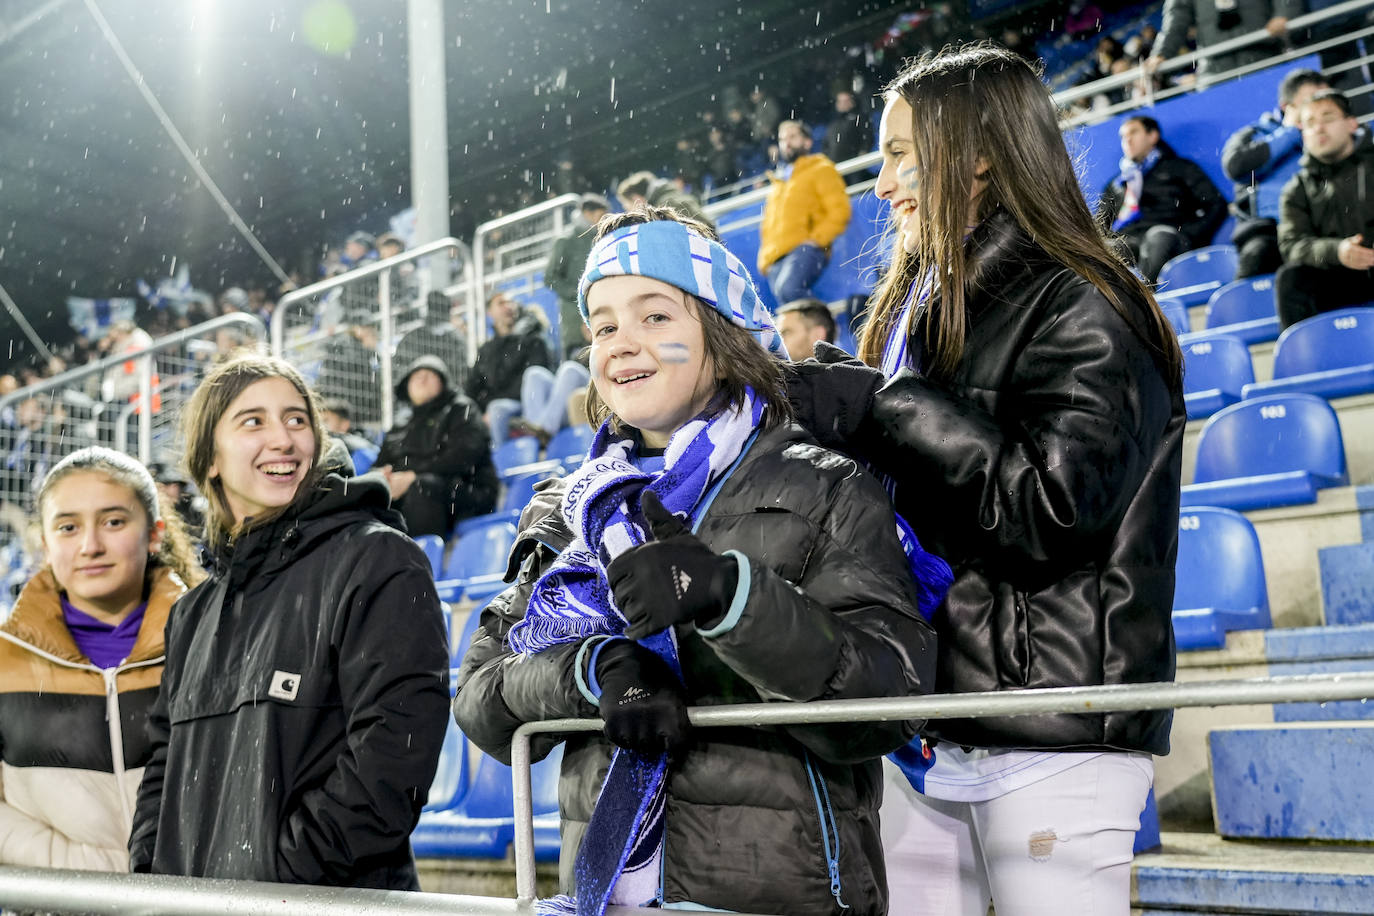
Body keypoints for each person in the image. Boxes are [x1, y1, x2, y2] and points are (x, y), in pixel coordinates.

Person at [453, 207, 944, 915]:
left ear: (721, 330)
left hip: (776, 898)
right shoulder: (568, 508)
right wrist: (595, 670)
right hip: (607, 901)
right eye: (603, 324)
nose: (622, 344)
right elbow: (480, 698)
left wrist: (729, 600)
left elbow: (889, 703)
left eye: (655, 317)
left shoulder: (823, 482)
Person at [787, 45, 1184, 916]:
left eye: (899, 154)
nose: (880, 184)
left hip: (1053, 729)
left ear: (978, 154)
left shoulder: (1087, 300)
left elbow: (1052, 512)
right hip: (930, 725)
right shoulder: (922, 308)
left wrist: (889, 408)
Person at [128, 354, 449, 888]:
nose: (283, 439)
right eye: (253, 421)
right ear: (210, 457)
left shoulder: (379, 560)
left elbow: (395, 755)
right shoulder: (192, 612)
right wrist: (150, 870)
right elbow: (165, 762)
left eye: (297, 420)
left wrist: (282, 874)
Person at [0, 447, 203, 869]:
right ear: (45, 542)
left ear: (154, 533)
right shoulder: (6, 660)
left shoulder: (214, 643)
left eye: (113, 522)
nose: (90, 546)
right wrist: (96, 876)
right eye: (68, 527)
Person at [1275, 89, 1374, 328]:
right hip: (1336, 275)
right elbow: (1292, 245)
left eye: (1328, 118)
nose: (1319, 128)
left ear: (1351, 123)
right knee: (1291, 279)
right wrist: (1337, 251)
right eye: (1310, 123)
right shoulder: (1296, 188)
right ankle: (1305, 361)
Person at [1222, 68, 1330, 278]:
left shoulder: (1329, 136)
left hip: (1321, 230)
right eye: (1311, 101)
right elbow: (1236, 166)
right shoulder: (1254, 134)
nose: (1318, 110)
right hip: (1268, 232)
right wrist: (1290, 132)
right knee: (1257, 255)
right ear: (1287, 107)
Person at [376, 355, 499, 538]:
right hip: (411, 496)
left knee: (422, 486)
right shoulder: (401, 423)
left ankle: (422, 560)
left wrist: (412, 476)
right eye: (415, 376)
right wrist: (382, 476)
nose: (422, 379)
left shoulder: (461, 408)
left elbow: (464, 456)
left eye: (429, 374)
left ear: (443, 381)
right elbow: (382, 461)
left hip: (466, 491)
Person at [1097, 115, 1227, 283]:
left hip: (1170, 238)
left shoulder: (1180, 168)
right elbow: (1101, 225)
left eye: (1133, 133)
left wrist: (1189, 234)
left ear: (1153, 136)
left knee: (1158, 237)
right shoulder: (1117, 183)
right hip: (1130, 241)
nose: (1127, 140)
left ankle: (1146, 298)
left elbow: (1216, 205)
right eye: (1123, 136)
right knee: (1109, 248)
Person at [759, 120, 852, 303]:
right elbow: (768, 225)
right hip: (777, 259)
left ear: (807, 142)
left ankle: (825, 328)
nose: (786, 142)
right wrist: (765, 259)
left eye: (793, 136)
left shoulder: (821, 169)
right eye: (782, 138)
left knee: (790, 291)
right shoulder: (778, 183)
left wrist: (815, 241)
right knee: (790, 308)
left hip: (804, 249)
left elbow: (840, 210)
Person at [1146, 0, 1300, 78]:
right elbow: (1176, 20)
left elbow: (1286, 3)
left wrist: (1284, 14)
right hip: (1215, 70)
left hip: (1266, 58)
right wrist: (1161, 53)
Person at [546, 194, 611, 360]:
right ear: (586, 213)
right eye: (599, 215)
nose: (601, 220)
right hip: (574, 320)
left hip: (598, 312)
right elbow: (550, 278)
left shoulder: (601, 238)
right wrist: (579, 293)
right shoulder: (566, 241)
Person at [615, 171, 714, 230]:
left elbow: (705, 229)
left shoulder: (666, 206)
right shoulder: (669, 199)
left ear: (637, 199)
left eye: (626, 204)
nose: (627, 210)